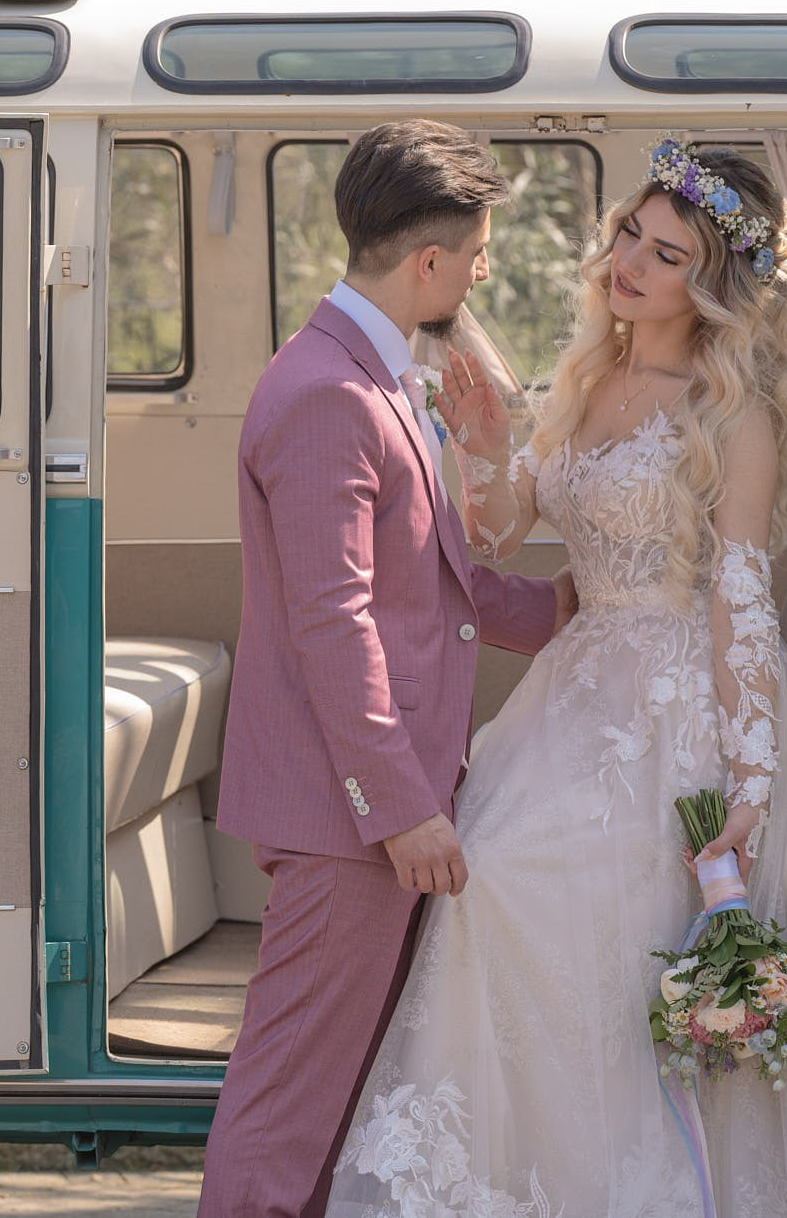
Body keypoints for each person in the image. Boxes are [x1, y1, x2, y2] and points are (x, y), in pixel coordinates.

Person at [323, 139, 787, 1216]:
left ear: (712, 286)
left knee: (530, 892)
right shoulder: (586, 377)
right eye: (629, 236)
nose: (629, 263)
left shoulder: (731, 414)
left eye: (666, 254)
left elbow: (739, 600)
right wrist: (483, 444)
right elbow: (494, 532)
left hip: (670, 707)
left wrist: (750, 781)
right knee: (489, 876)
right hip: (571, 695)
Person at [200, 119, 576, 1218]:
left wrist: (574, 608)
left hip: (371, 804)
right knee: (288, 1103)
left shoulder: (372, 373)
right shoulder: (330, 393)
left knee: (339, 1098)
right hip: (350, 813)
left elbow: (432, 585)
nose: (480, 275)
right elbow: (334, 622)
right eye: (477, 256)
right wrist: (402, 807)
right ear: (429, 262)